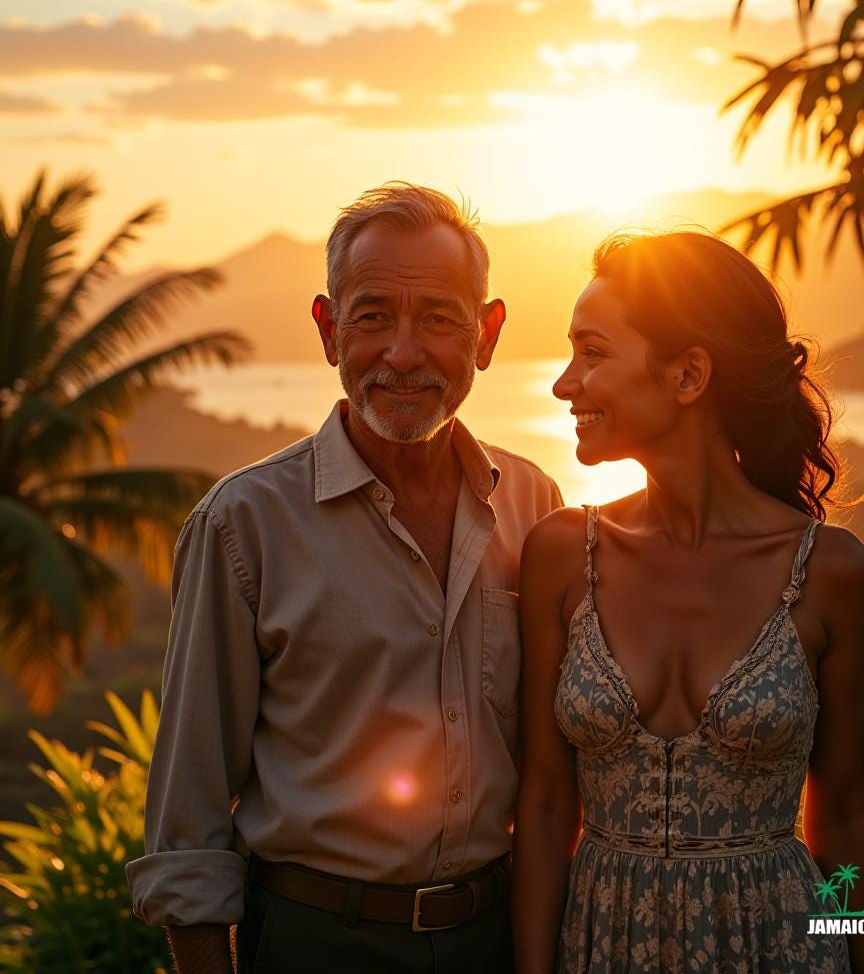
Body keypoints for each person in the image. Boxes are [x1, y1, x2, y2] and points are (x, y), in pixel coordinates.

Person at [126, 183, 562, 974]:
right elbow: (189, 819)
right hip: (314, 942)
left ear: (487, 333)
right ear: (329, 332)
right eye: (371, 317)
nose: (403, 352)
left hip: (496, 939)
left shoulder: (535, 506)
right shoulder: (244, 526)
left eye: (438, 317)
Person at [512, 231, 864, 974]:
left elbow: (840, 812)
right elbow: (548, 808)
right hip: (604, 948)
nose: (563, 383)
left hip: (779, 947)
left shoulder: (831, 572)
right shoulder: (560, 555)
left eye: (592, 352)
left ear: (688, 375)